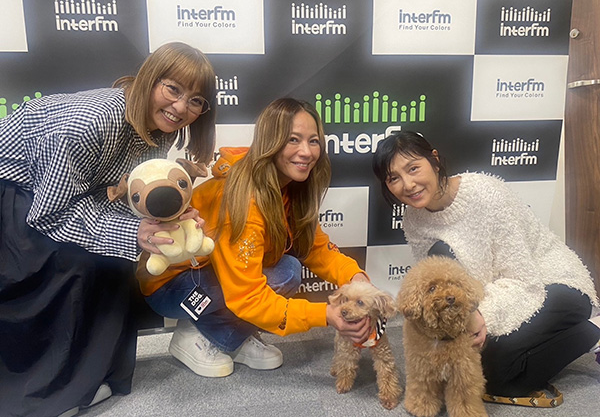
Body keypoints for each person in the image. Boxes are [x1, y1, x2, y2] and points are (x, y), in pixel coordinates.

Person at [0, 42, 217, 417]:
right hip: (17, 194)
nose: (182, 107)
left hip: (62, 197)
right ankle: (43, 392)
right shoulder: (91, 123)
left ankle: (89, 377)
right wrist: (135, 233)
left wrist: (168, 220)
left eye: (196, 101)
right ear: (150, 80)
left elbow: (119, 194)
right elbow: (50, 213)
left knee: (115, 260)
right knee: (74, 262)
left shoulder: (160, 127)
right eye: (173, 89)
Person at [137, 97, 371, 378]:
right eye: (293, 140)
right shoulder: (244, 199)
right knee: (283, 275)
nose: (306, 152)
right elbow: (247, 297)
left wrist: (355, 278)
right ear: (270, 142)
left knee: (287, 268)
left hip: (210, 274)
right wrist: (325, 315)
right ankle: (197, 335)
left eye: (313, 141)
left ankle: (231, 335)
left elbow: (316, 249)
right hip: (170, 286)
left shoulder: (290, 187)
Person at [372, 130, 600, 399]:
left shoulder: (486, 194)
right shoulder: (413, 220)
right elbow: (440, 285)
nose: (408, 184)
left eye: (413, 168)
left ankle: (592, 331)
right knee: (475, 370)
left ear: (434, 160)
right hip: (496, 294)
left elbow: (524, 280)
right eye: (394, 178)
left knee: (497, 371)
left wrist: (480, 316)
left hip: (553, 284)